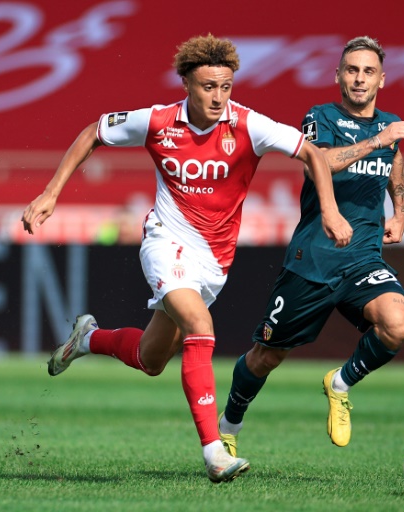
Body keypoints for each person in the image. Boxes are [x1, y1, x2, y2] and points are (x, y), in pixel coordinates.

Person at [20, 34, 352, 483]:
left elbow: (310, 152)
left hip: (214, 261)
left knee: (151, 359)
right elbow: (93, 132)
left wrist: (329, 210)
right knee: (200, 327)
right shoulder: (157, 121)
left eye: (226, 87)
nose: (218, 97)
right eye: (208, 87)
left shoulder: (249, 125)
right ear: (186, 84)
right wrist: (51, 192)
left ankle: (87, 338)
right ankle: (215, 452)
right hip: (165, 242)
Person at [218, 36, 404, 456]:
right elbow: (318, 163)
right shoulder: (320, 117)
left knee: (398, 323)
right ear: (338, 75)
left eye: (368, 71)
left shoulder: (390, 124)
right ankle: (229, 426)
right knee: (265, 357)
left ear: (382, 78)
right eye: (351, 70)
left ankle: (340, 383)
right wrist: (378, 141)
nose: (359, 79)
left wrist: (399, 212)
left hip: (363, 258)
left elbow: (395, 162)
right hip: (315, 259)